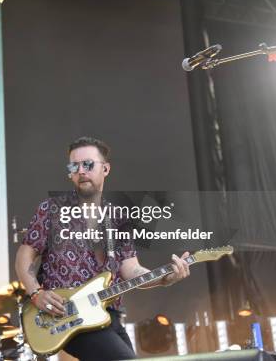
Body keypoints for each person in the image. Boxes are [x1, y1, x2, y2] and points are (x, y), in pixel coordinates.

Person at [15, 137, 190, 361]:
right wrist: (36, 293)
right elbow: (24, 256)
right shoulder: (52, 209)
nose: (80, 171)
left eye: (88, 164)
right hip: (68, 317)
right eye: (74, 166)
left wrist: (165, 278)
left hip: (110, 317)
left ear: (105, 168)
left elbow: (131, 271)